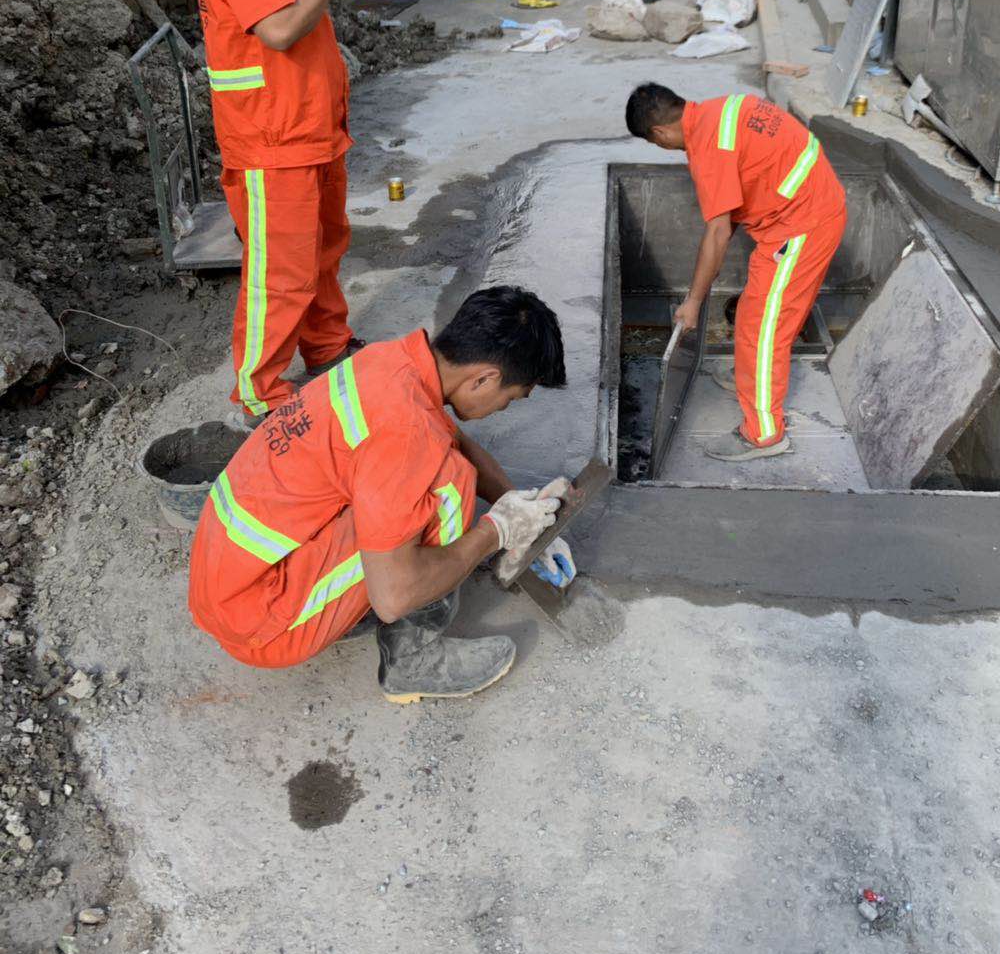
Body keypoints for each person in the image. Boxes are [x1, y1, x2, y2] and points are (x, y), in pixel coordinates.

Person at [187, 286, 575, 703]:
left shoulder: (392, 361)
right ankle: (412, 660)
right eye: (511, 399)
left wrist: (523, 509)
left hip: (224, 579)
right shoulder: (406, 432)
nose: (504, 409)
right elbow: (393, 599)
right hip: (261, 624)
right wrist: (495, 533)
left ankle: (351, 597)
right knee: (449, 487)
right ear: (484, 378)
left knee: (445, 459)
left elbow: (455, 439)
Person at [189, 0, 372, 429]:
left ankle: (325, 346)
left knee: (322, 252)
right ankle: (259, 392)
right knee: (283, 272)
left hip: (310, 128)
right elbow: (280, 28)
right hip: (271, 137)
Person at [625, 84, 847, 462]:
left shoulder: (709, 148)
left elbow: (718, 231)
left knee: (762, 328)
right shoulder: (720, 110)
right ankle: (752, 378)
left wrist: (693, 302)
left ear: (659, 134)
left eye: (656, 143)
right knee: (754, 316)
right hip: (806, 209)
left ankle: (763, 433)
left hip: (802, 224)